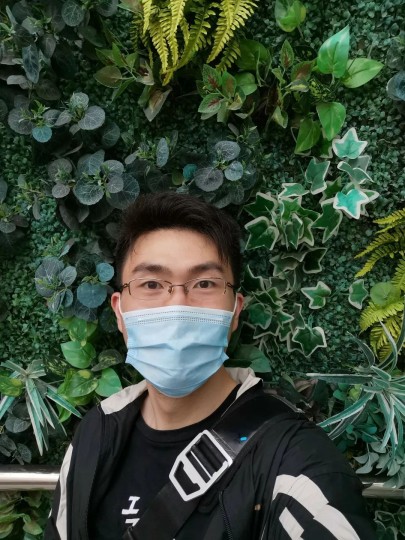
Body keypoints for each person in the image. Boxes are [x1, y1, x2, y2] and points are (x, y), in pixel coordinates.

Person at [45, 192, 377, 540]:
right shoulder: (96, 432)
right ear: (119, 312)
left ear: (234, 311)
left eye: (204, 283)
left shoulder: (294, 462)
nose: (177, 305)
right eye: (151, 284)